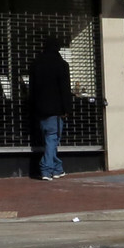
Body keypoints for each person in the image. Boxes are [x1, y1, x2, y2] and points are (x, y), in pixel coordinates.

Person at [26, 36, 73, 180]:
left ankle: (58, 169)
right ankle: (46, 169)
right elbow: (65, 89)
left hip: (40, 109)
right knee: (53, 138)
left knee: (50, 139)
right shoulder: (61, 65)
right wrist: (67, 109)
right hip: (56, 110)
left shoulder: (36, 64)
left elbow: (32, 88)